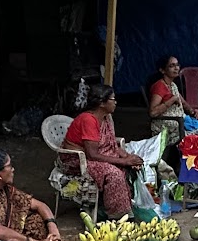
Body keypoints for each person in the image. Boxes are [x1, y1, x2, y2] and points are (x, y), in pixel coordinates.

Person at [61, 84, 143, 217]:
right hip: (77, 160)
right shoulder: (88, 120)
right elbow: (92, 154)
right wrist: (123, 161)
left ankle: (123, 208)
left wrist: (129, 158)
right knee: (114, 173)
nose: (115, 102)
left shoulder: (106, 117)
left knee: (129, 169)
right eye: (113, 99)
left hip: (95, 156)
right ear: (102, 103)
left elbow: (112, 145)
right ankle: (117, 216)